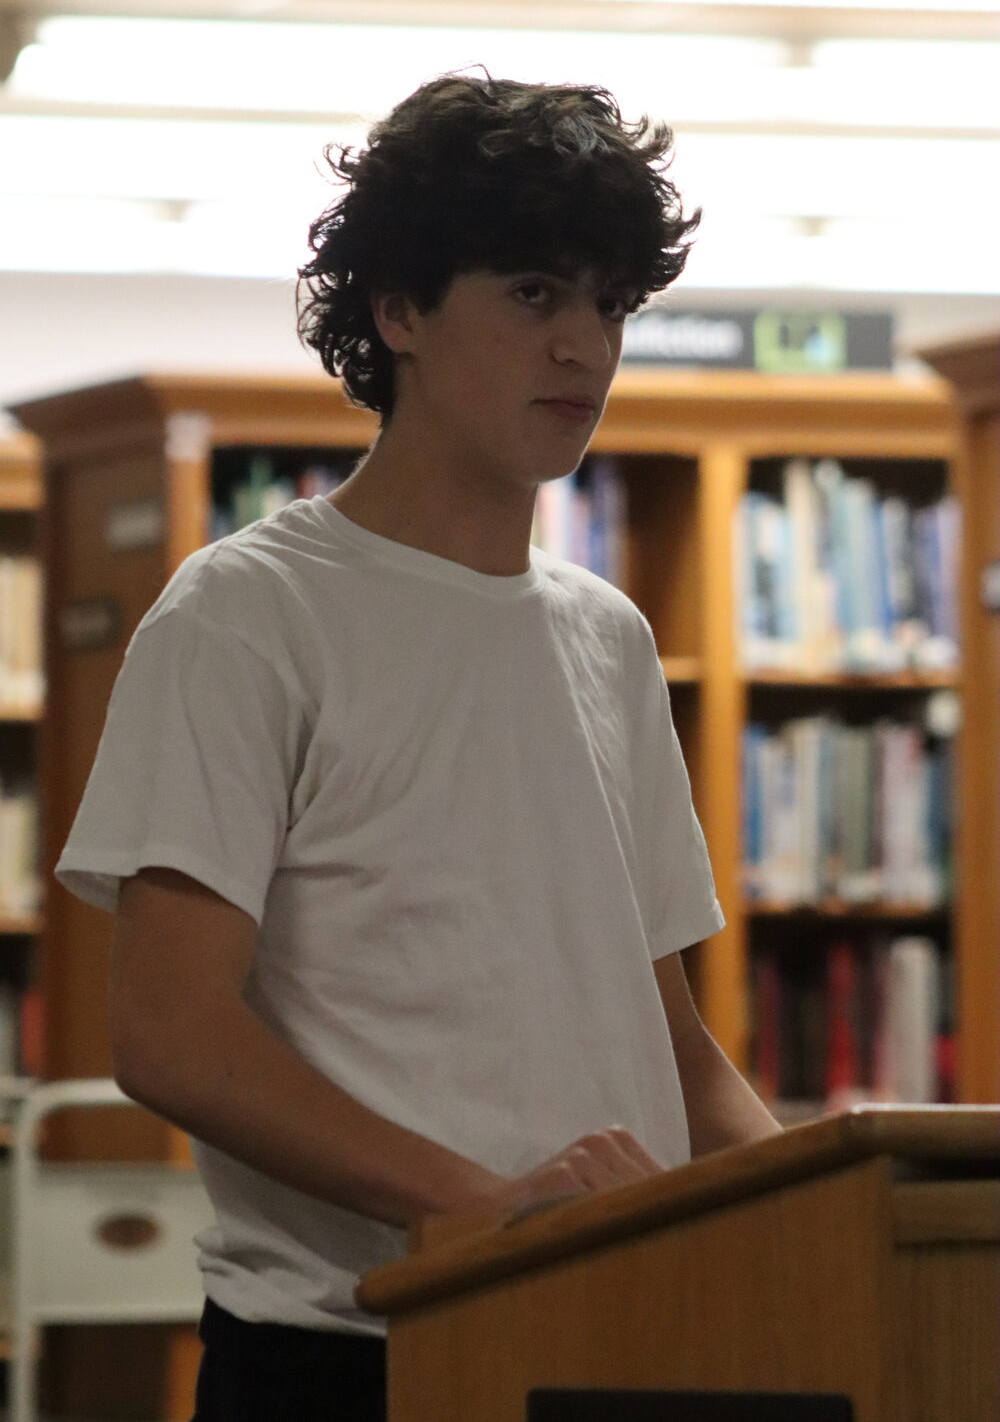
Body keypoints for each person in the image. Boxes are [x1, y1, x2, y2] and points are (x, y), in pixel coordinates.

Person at [54, 71, 782, 1422]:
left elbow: (667, 1046)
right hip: (348, 1360)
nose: (586, 348)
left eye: (611, 305)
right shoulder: (247, 615)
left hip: (610, 1338)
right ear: (399, 311)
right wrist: (482, 1204)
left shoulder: (608, 639)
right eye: (533, 295)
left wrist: (816, 1212)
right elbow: (169, 1031)